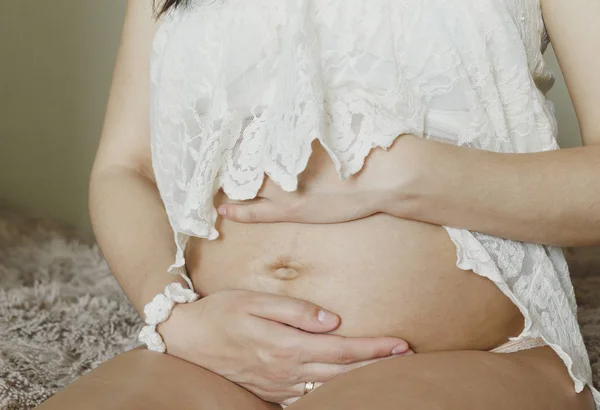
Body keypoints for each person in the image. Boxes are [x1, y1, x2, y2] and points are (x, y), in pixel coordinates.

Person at [38, 0, 599, 409]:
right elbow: (123, 169)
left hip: (461, 355)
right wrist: (177, 319)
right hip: (216, 357)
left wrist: (396, 174)